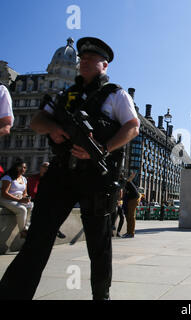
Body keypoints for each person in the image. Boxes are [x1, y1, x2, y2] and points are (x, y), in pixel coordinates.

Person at [0, 37, 140, 300]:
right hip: (61, 173)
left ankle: (101, 295)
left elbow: (132, 127)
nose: (84, 61)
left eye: (91, 58)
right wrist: (53, 128)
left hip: (97, 176)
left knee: (99, 244)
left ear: (105, 65)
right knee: (38, 237)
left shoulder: (115, 94)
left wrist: (104, 148)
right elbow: (39, 120)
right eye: (82, 58)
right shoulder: (66, 95)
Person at [27, 162, 66, 239]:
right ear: (40, 167)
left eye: (48, 167)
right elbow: (33, 192)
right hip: (34, 200)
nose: (46, 168)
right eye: (44, 166)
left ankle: (55, 229)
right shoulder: (33, 178)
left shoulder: (51, 179)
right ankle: (55, 230)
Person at [0, 158, 33, 239]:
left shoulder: (24, 179)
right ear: (16, 167)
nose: (23, 169)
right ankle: (23, 232)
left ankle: (27, 227)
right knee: (22, 209)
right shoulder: (8, 177)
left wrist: (26, 198)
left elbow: (24, 193)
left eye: (25, 167)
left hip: (18, 199)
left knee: (32, 205)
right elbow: (4, 193)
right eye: (21, 167)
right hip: (6, 200)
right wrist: (19, 200)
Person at [122, 172, 140, 239]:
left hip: (134, 198)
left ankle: (131, 233)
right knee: (128, 216)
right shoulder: (124, 183)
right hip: (129, 199)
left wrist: (132, 175)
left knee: (131, 216)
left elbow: (129, 179)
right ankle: (128, 232)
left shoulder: (126, 181)